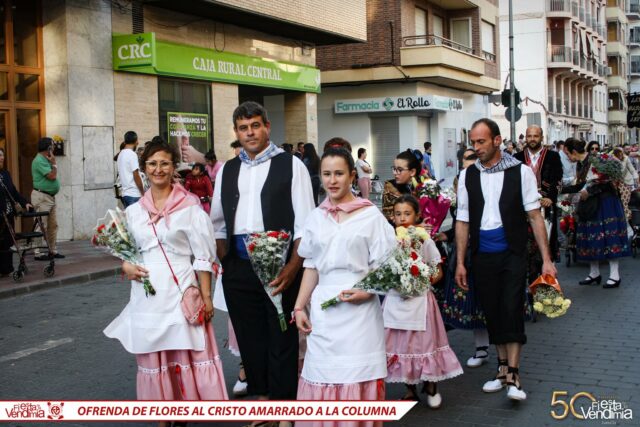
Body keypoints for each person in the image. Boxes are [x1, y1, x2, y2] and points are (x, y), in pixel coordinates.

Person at [103, 139, 228, 424]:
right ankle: (162, 416)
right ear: (144, 168)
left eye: (164, 163)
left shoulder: (191, 208)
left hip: (181, 290)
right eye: (152, 164)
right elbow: (128, 251)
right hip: (146, 296)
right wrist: (126, 265)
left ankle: (184, 412)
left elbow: (204, 257)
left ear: (174, 168)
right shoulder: (133, 212)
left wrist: (207, 297)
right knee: (153, 357)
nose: (158, 169)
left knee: (183, 356)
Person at [211, 101, 314, 422]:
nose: (250, 132)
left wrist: (292, 268)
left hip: (280, 267)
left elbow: (306, 224)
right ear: (236, 132)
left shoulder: (291, 165)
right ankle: (264, 402)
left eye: (255, 125)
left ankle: (285, 409)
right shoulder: (228, 169)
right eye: (243, 128)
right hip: (239, 267)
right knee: (250, 339)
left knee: (281, 338)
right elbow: (217, 222)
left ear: (267, 126)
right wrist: (221, 260)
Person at [455, 118, 557, 401]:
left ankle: (514, 374)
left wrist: (547, 260)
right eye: (473, 143)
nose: (476, 148)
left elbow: (535, 216)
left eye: (481, 142)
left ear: (497, 141)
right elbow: (462, 219)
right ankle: (501, 370)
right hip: (482, 254)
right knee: (492, 310)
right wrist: (461, 261)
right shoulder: (468, 175)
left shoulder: (520, 172)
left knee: (511, 307)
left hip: (513, 252)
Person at [294, 147, 396, 427]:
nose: (332, 180)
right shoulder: (315, 217)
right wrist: (299, 306)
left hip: (360, 315)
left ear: (352, 175)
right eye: (326, 174)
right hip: (325, 311)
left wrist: (369, 291)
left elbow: (387, 266)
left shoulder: (370, 216)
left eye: (339, 173)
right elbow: (311, 265)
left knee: (356, 378)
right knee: (322, 375)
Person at [384, 194, 463, 408]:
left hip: (420, 300)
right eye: (398, 214)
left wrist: (422, 280)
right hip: (395, 300)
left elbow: (437, 269)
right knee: (399, 344)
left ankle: (430, 383)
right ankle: (409, 389)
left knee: (422, 344)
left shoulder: (423, 239)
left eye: (407, 213)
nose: (402, 218)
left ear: (417, 215)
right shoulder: (387, 239)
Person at [436, 149, 491, 368]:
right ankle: (482, 348)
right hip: (464, 255)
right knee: (473, 301)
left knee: (489, 302)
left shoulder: (490, 188)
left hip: (487, 251)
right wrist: (445, 234)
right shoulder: (458, 193)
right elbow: (460, 222)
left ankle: (504, 353)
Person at [577, 151, 631, 288]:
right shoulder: (583, 164)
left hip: (607, 204)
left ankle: (615, 275)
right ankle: (594, 273)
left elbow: (607, 183)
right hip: (592, 205)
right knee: (592, 237)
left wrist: (591, 190)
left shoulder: (601, 161)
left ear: (572, 152)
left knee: (610, 236)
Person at [514, 125, 563, 275]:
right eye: (529, 136)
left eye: (536, 136)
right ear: (525, 138)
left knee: (547, 241)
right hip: (523, 209)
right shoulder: (517, 158)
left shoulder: (552, 156)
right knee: (524, 244)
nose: (532, 139)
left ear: (542, 137)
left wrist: (550, 198)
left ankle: (548, 278)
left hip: (545, 207)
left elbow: (558, 180)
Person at [0, 148, 32, 276]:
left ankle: (6, 269)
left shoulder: (6, 174)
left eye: (2, 155)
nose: (1, 158)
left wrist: (25, 203)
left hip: (8, 214)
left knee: (8, 241)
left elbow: (14, 192)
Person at [31, 137, 63, 261]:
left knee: (53, 225)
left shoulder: (46, 159)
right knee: (40, 225)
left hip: (50, 197)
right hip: (42, 197)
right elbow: (52, 176)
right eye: (53, 145)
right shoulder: (39, 160)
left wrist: (52, 162)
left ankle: (52, 250)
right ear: (48, 148)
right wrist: (54, 164)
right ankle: (38, 252)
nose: (54, 147)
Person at [381, 150, 421, 222]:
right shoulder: (390, 188)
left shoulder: (422, 186)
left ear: (412, 172)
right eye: (394, 169)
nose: (395, 173)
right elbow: (391, 219)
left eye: (399, 170)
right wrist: (418, 227)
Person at [117, 131, 145, 208]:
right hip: (134, 194)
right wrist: (143, 192)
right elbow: (136, 175)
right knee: (137, 219)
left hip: (125, 194)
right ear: (136, 141)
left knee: (130, 219)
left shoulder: (121, 154)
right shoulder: (132, 154)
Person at [613, 147, 638, 222]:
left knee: (625, 201)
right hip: (615, 183)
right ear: (616, 154)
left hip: (626, 182)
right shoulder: (612, 160)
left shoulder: (626, 159)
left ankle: (627, 218)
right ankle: (621, 217)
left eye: (622, 153)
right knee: (617, 201)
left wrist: (636, 178)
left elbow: (632, 170)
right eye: (619, 153)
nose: (621, 155)